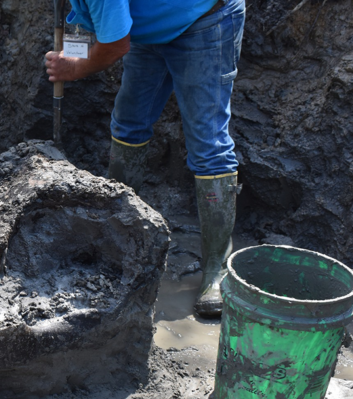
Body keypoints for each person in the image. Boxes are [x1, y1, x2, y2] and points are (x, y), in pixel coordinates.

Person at [45, 0, 245, 318]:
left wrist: (75, 68)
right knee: (128, 124)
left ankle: (217, 271)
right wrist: (72, 54)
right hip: (151, 31)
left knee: (207, 143)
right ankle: (116, 236)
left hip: (205, 21)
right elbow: (79, 15)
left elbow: (115, 44)